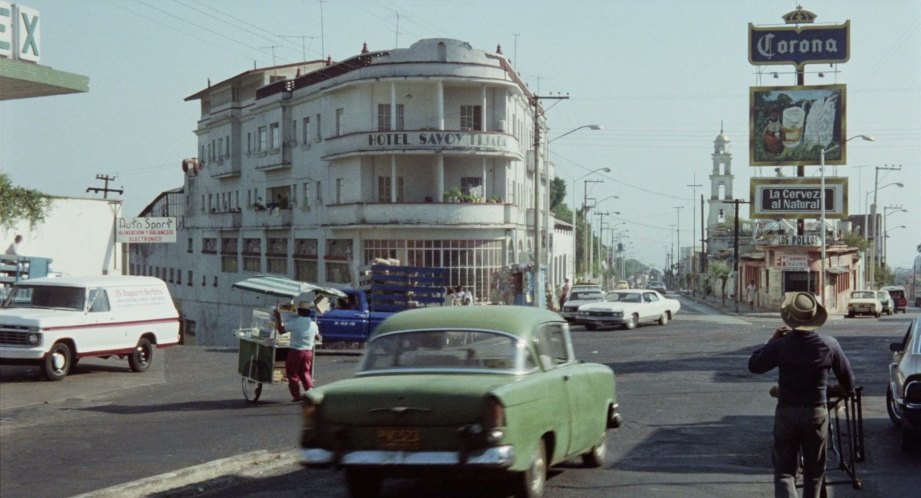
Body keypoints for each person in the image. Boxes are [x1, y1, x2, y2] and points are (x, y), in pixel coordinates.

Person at [748, 292, 856, 498]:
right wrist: (841, 389)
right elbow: (848, 381)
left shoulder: (781, 345)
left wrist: (772, 341)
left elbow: (755, 365)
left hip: (787, 412)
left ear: (790, 318)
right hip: (816, 413)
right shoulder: (829, 344)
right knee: (814, 473)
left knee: (784, 472)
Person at [275, 300, 320, 402]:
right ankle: (310, 390)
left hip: (296, 352)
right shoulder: (313, 324)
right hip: (308, 352)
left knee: (292, 373)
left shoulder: (295, 322)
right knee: (305, 371)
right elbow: (318, 337)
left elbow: (281, 331)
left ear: (299, 311)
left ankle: (296, 396)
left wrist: (278, 318)